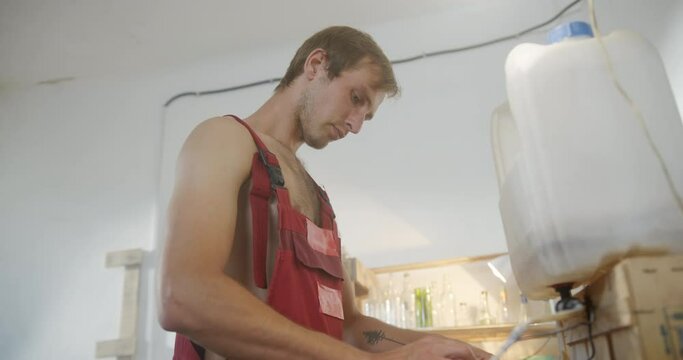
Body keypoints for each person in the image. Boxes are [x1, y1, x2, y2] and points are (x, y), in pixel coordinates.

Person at [159, 26, 492, 360]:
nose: (357, 125)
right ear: (315, 65)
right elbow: (184, 295)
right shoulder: (223, 139)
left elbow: (351, 328)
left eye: (367, 116)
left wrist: (450, 349)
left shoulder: (320, 201)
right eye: (356, 98)